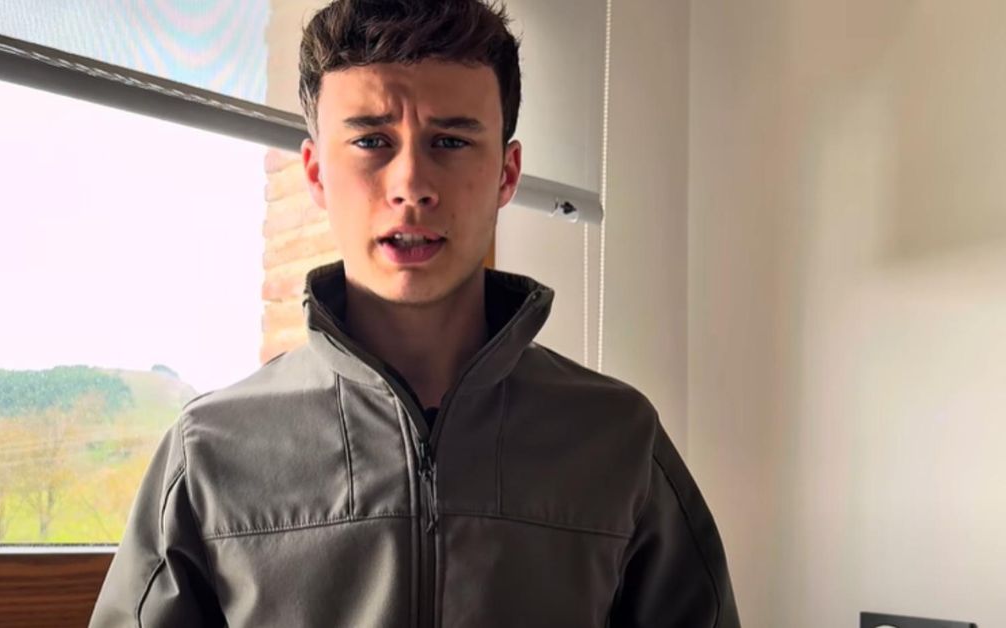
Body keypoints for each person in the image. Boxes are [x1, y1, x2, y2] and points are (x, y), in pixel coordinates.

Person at [89, 0, 740, 626]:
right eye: (372, 140)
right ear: (315, 174)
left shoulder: (618, 439)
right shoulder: (209, 452)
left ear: (507, 173)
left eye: (450, 141)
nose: (411, 185)